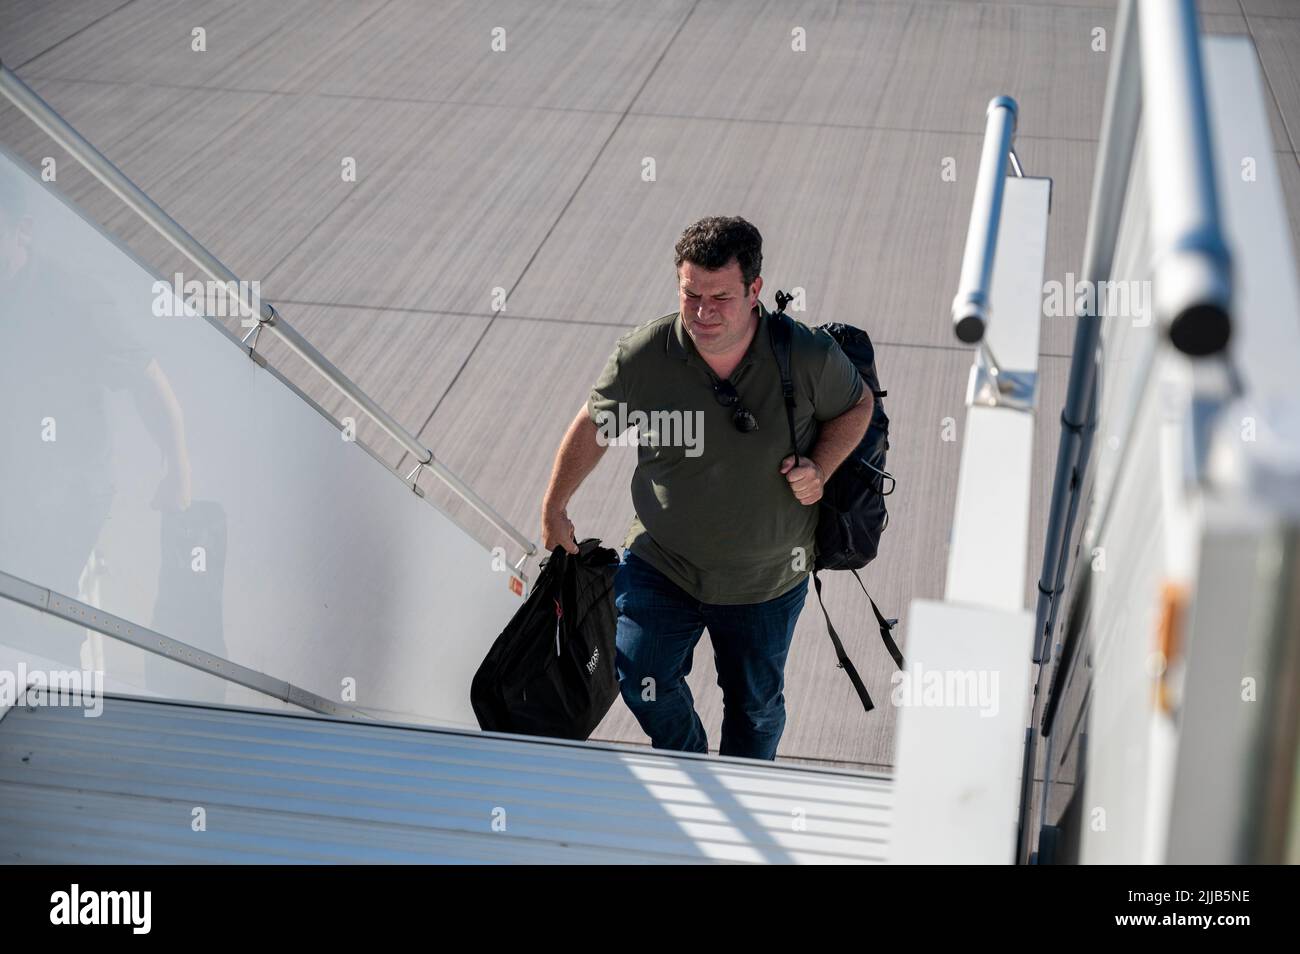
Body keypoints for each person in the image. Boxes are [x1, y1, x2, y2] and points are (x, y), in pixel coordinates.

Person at [540, 216, 872, 760]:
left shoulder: (805, 355)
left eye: (720, 297)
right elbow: (595, 423)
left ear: (755, 290)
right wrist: (555, 506)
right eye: (690, 294)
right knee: (640, 676)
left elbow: (858, 405)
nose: (702, 312)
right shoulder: (647, 354)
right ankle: (691, 763)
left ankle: (745, 791)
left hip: (765, 581)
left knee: (756, 707)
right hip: (662, 563)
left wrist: (821, 465)